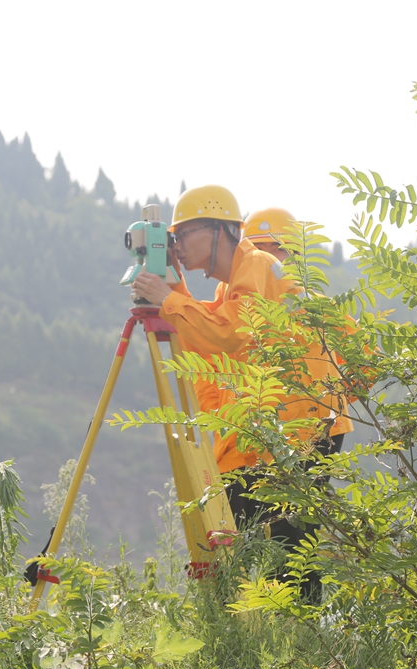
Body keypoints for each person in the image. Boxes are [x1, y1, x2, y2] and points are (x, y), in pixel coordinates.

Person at [132, 187, 351, 601]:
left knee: (288, 544)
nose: (177, 244)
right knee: (237, 533)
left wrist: (169, 298)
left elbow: (231, 334)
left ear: (219, 229)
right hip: (264, 432)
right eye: (172, 238)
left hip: (301, 428)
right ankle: (245, 628)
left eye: (183, 234)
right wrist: (173, 290)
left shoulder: (260, 265)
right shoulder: (229, 289)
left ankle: (300, 631)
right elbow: (207, 343)